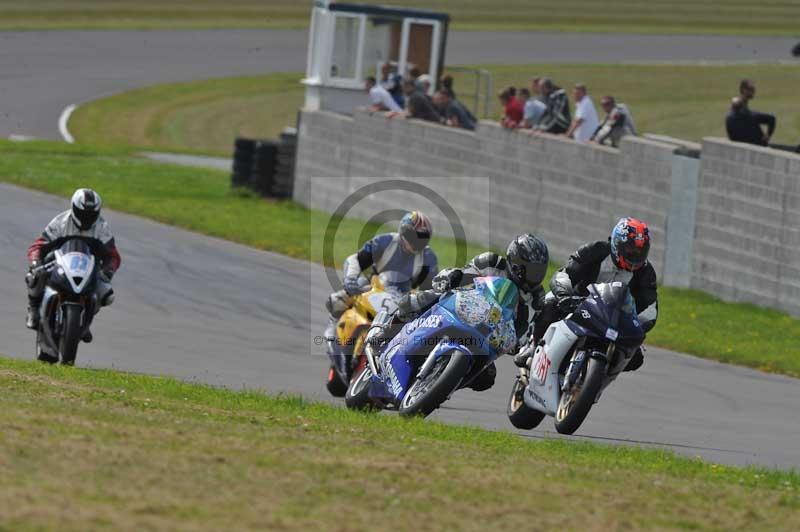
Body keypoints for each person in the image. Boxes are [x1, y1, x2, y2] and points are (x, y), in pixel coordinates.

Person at [369, 234, 550, 392]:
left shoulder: (535, 297)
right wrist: (453, 277)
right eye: (532, 271)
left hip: (488, 334)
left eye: (539, 272)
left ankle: (438, 385)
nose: (535, 277)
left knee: (487, 377)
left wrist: (519, 343)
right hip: (461, 306)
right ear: (517, 263)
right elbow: (463, 274)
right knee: (422, 299)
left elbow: (525, 328)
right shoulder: (492, 262)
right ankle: (385, 332)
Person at [522, 218, 657, 372]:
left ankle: (594, 383)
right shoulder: (595, 251)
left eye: (640, 251)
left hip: (613, 320)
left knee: (635, 357)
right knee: (550, 302)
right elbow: (565, 273)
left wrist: (637, 325)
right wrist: (564, 295)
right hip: (578, 305)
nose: (635, 256)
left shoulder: (646, 273)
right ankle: (532, 347)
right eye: (631, 250)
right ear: (616, 244)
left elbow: (650, 307)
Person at [323, 211, 438, 345]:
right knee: (337, 299)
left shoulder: (429, 257)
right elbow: (356, 260)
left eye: (422, 238)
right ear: (404, 231)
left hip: (404, 296)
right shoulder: (385, 241)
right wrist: (350, 278)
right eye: (413, 235)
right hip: (373, 285)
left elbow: (430, 290)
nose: (416, 241)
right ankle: (333, 322)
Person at [25, 188, 122, 341]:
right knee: (34, 276)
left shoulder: (102, 228)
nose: (87, 218)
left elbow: (113, 256)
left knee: (107, 296)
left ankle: (85, 321)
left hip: (89, 269)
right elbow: (38, 246)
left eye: (91, 214)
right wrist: (36, 262)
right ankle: (33, 309)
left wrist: (108, 271)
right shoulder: (60, 222)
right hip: (58, 264)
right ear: (74, 208)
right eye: (83, 213)